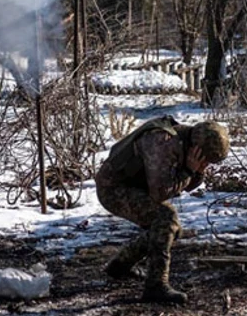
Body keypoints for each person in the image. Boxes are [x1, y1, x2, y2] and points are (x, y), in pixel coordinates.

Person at [95, 116, 230, 305]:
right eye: (205, 159)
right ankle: (156, 286)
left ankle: (121, 265)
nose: (206, 163)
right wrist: (189, 171)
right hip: (113, 189)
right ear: (197, 148)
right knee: (166, 219)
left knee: (170, 227)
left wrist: (197, 171)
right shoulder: (163, 142)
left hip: (134, 186)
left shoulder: (188, 141)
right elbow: (160, 192)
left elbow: (186, 186)